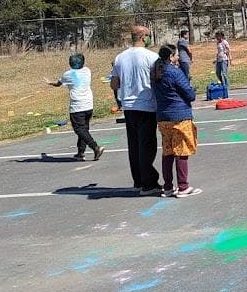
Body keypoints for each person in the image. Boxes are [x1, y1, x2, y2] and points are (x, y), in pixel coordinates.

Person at [111, 25, 162, 194]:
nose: (150, 38)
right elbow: (158, 78)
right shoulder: (152, 57)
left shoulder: (120, 58)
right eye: (148, 35)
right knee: (147, 145)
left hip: (128, 105)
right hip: (146, 104)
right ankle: (148, 184)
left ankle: (138, 180)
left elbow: (114, 83)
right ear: (142, 37)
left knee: (134, 145)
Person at [151, 45, 201, 198]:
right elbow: (189, 94)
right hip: (179, 116)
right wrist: (193, 90)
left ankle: (167, 186)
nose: (178, 57)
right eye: (177, 55)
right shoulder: (174, 72)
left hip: (163, 117)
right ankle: (183, 186)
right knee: (181, 151)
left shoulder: (155, 72)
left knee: (168, 152)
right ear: (171, 56)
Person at [46, 53, 103, 161]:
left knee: (79, 129)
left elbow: (58, 84)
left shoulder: (68, 74)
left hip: (77, 106)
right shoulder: (87, 71)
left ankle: (95, 147)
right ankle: (80, 152)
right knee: (84, 129)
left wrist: (49, 82)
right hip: (88, 104)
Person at [214, 30, 231, 98]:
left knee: (224, 73)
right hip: (219, 59)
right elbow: (218, 52)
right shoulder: (218, 43)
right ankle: (222, 83)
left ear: (220, 36)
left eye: (217, 36)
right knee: (217, 73)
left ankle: (226, 85)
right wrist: (216, 59)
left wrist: (226, 54)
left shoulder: (225, 42)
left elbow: (228, 50)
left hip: (224, 59)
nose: (216, 37)